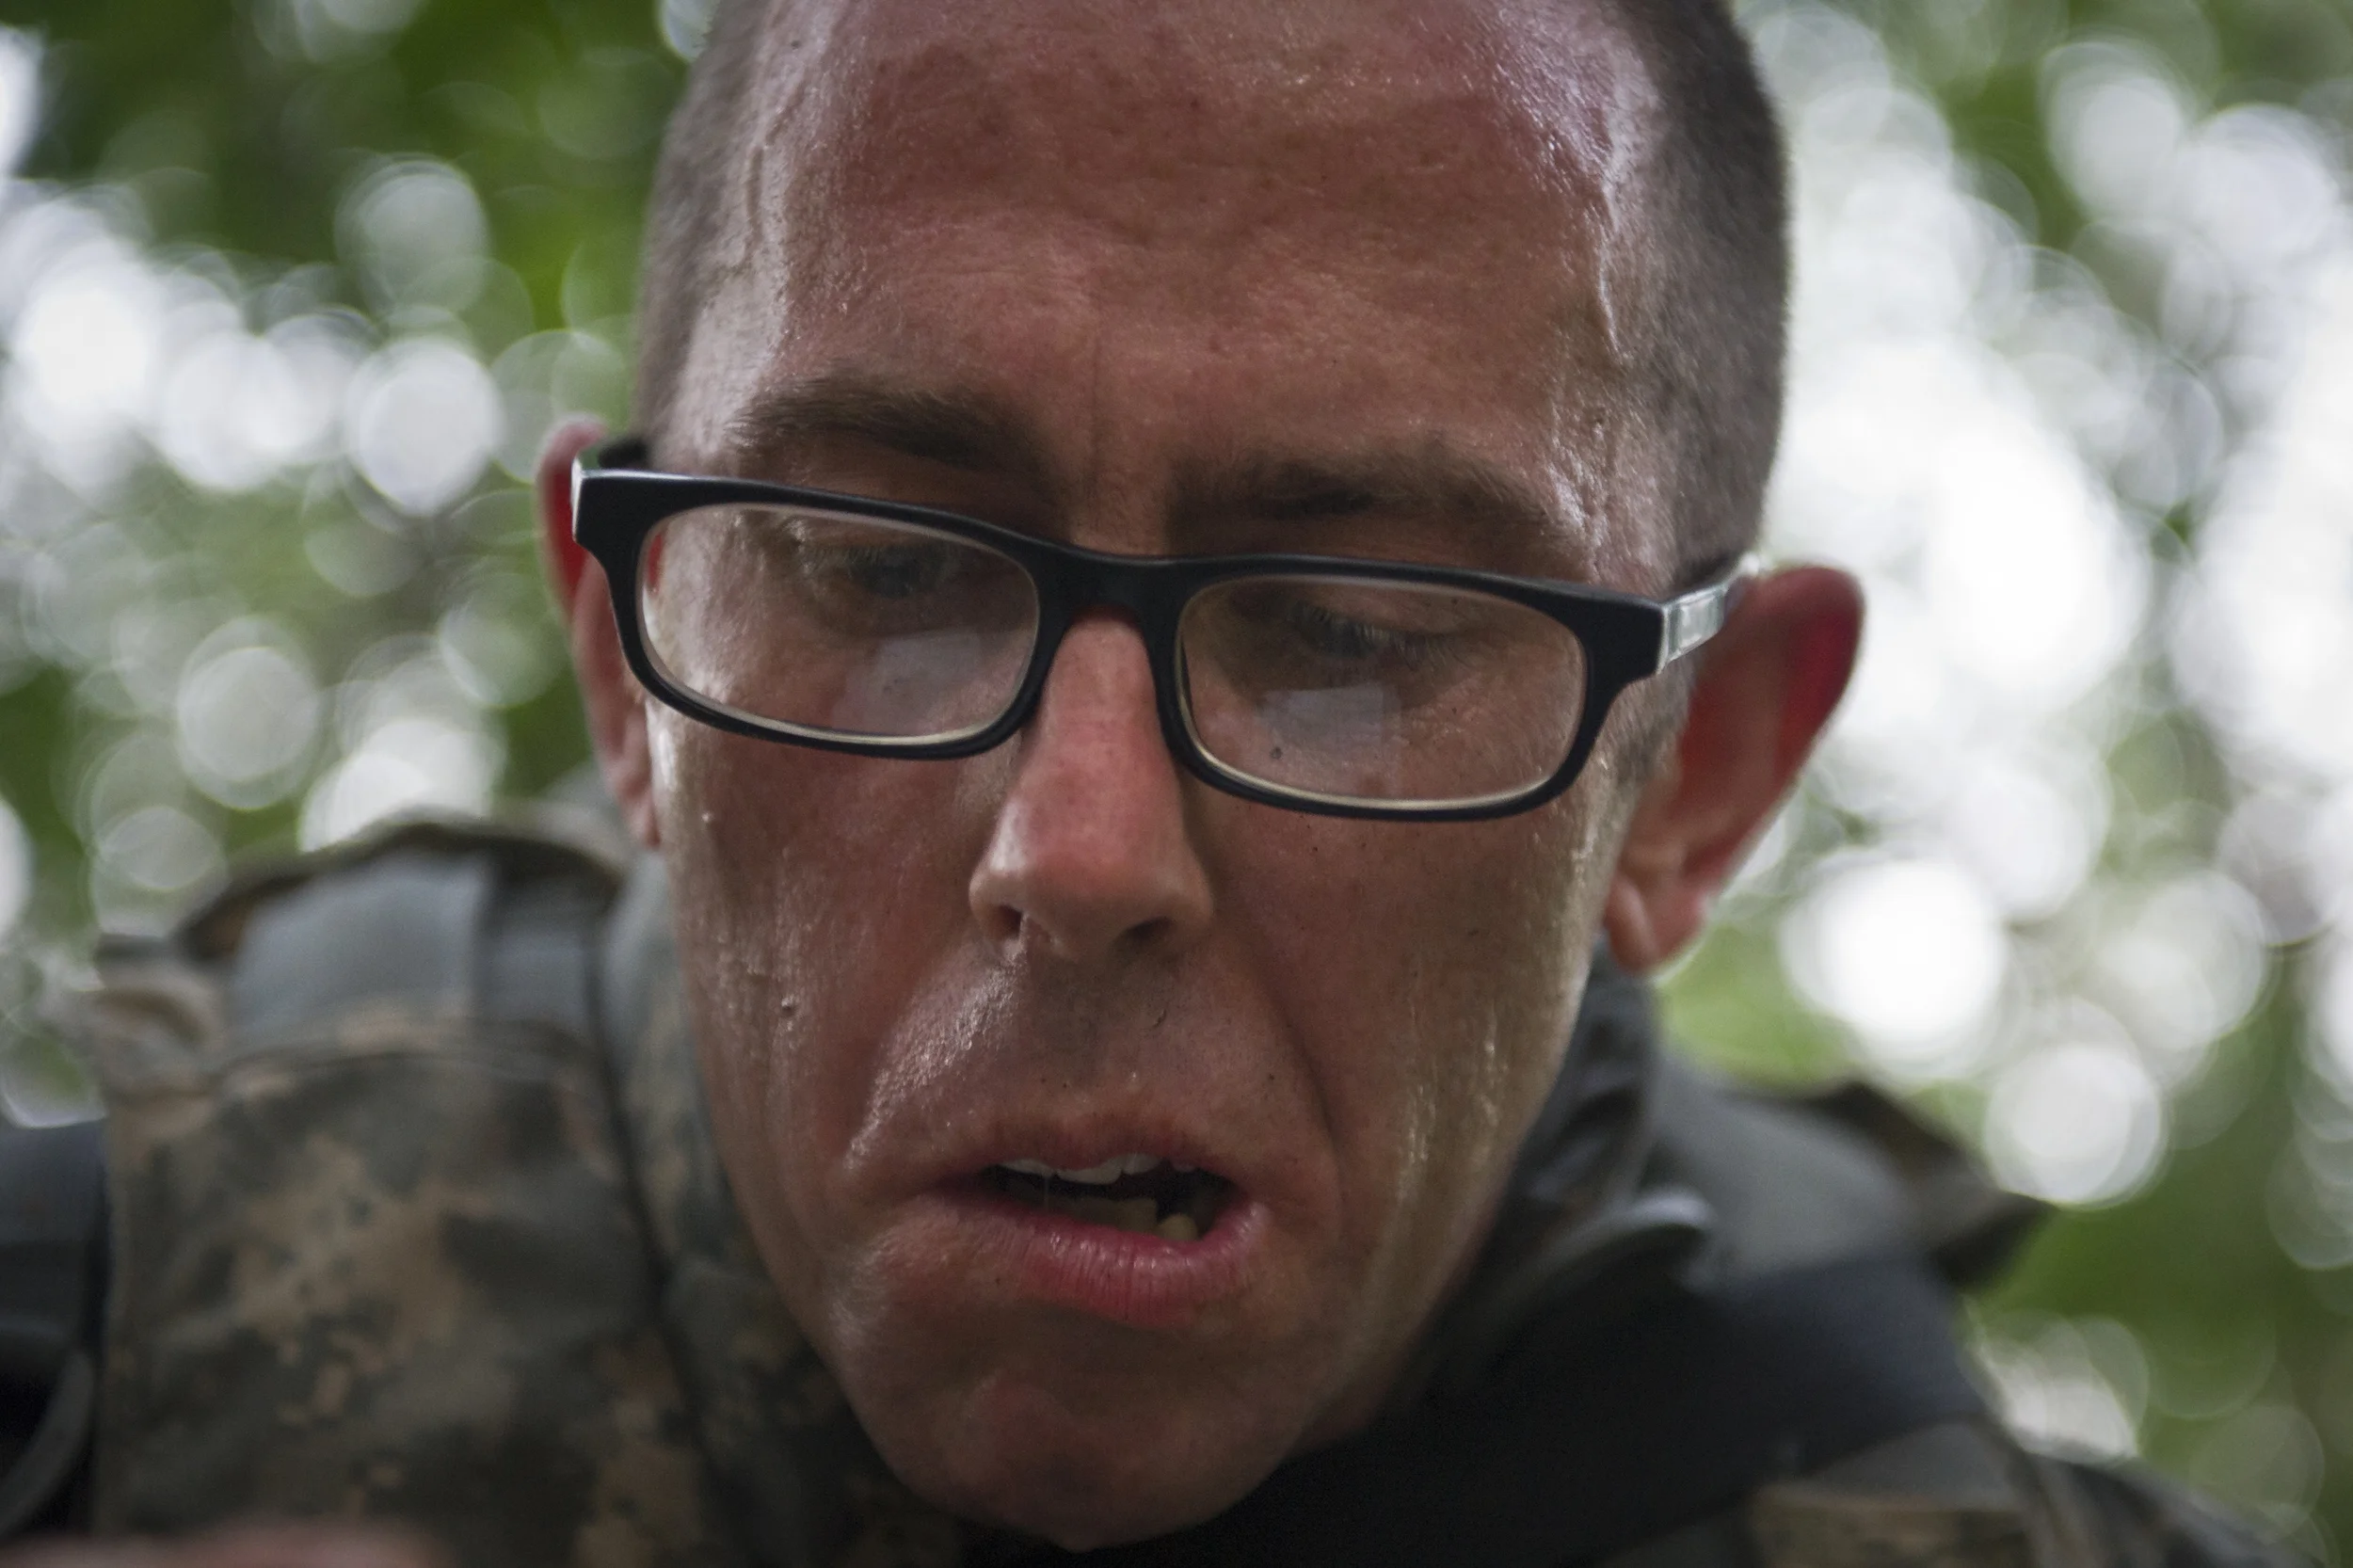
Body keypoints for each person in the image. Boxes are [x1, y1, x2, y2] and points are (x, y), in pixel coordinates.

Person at [0, 0, 2301, 1563]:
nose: (1075, 852)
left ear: (1692, 768)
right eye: (888, 567)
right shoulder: (89, 1376)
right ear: (631, 655)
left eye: (1354, 630)